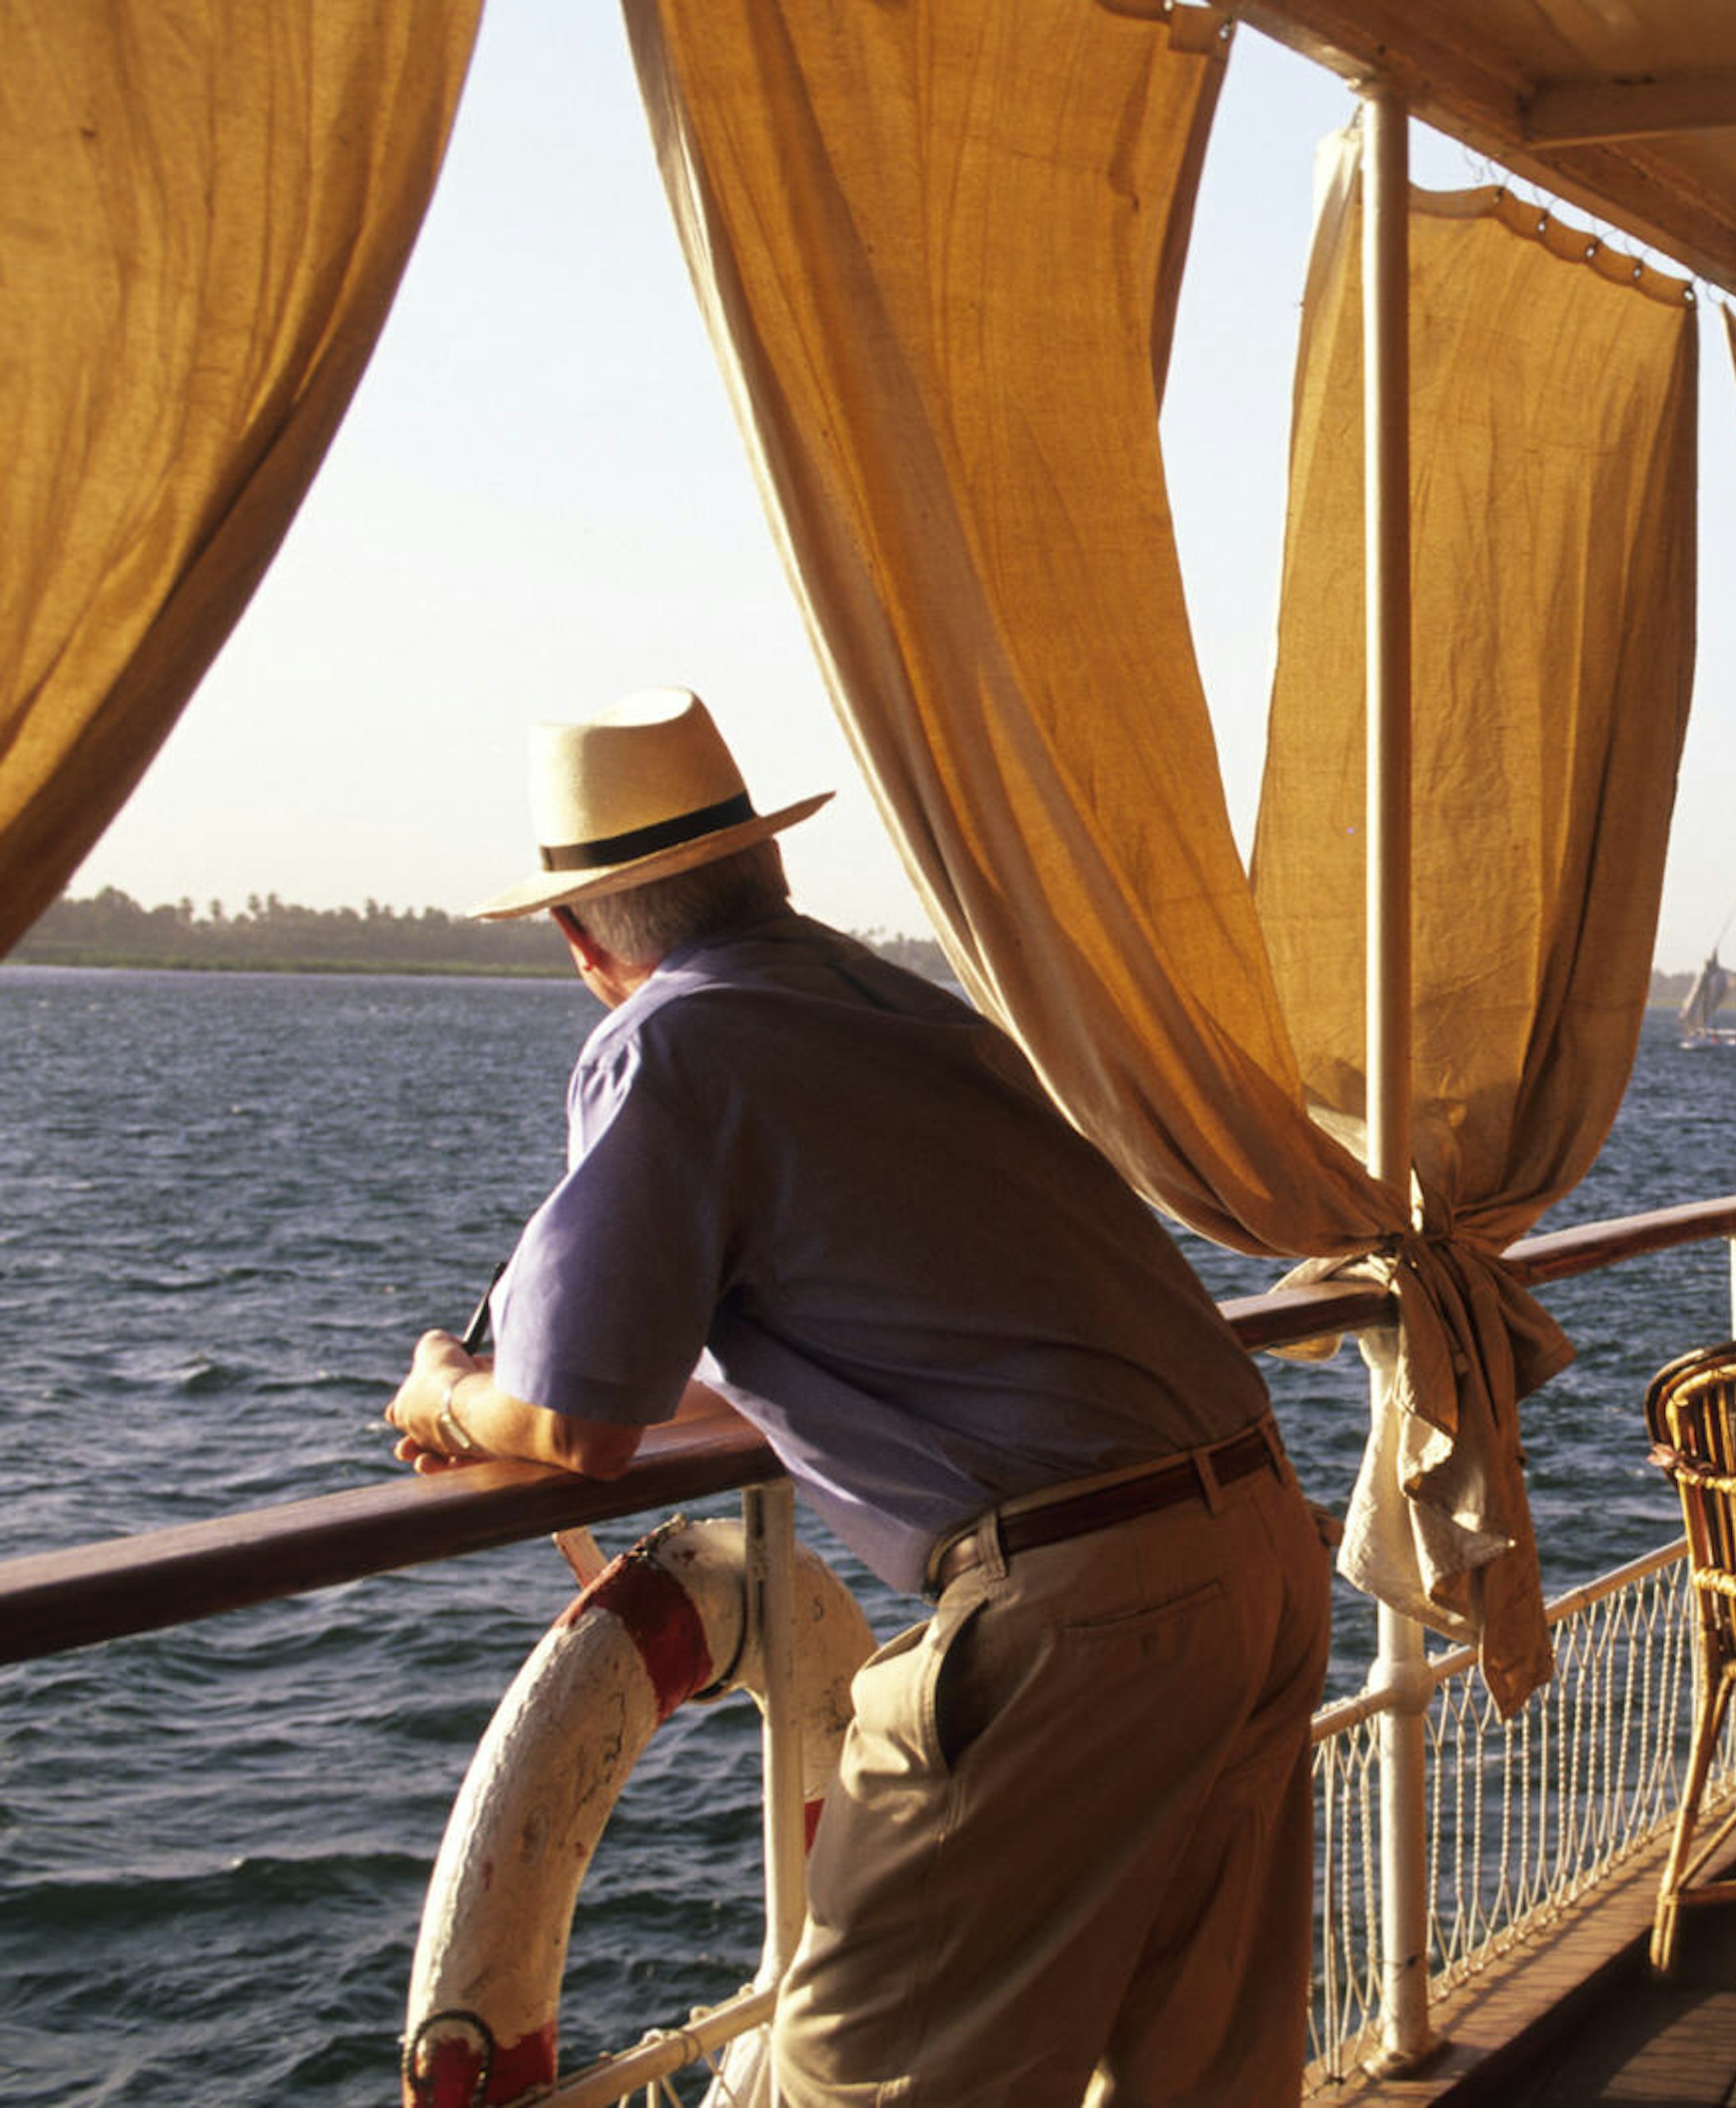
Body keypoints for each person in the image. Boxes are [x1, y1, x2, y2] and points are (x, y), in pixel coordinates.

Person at [382, 688, 1330, 2106]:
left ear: (584, 945)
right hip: (1254, 1543)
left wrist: (452, 1393)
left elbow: (580, 1424)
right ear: (766, 868)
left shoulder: (666, 1043)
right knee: (1200, 2080)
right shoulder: (892, 1003)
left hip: (1090, 1612)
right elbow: (871, 1334)